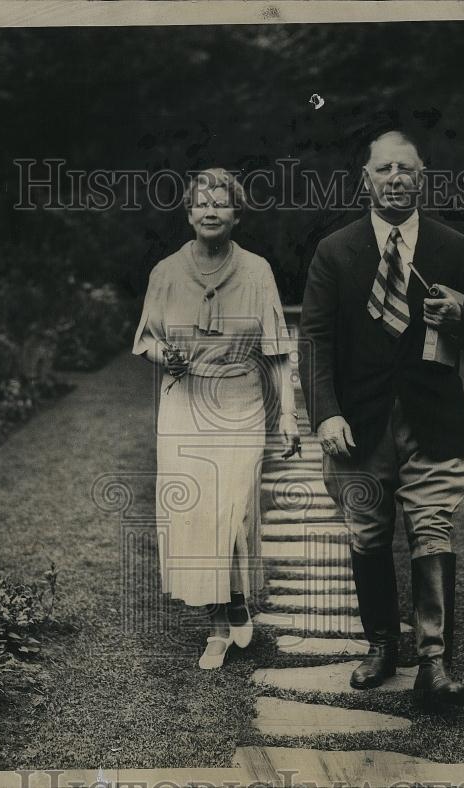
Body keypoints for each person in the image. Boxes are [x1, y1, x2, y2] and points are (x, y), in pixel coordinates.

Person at [298, 128, 464, 705]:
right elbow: (315, 340)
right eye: (384, 169)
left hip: (432, 418)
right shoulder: (336, 251)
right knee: (368, 533)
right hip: (358, 424)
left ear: (422, 178)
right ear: (366, 179)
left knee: (433, 526)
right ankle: (382, 646)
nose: (395, 179)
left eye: (406, 169)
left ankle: (435, 663)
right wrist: (325, 414)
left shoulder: (452, 247)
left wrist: (461, 314)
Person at [133, 168, 300, 669]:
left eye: (220, 203)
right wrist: (168, 356)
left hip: (241, 404)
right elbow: (146, 340)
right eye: (201, 203)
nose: (210, 210)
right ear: (188, 214)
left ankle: (235, 597)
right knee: (196, 515)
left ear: (236, 215)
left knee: (236, 510)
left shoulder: (257, 270)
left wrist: (287, 415)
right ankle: (217, 623)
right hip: (184, 404)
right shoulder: (165, 272)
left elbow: (275, 349)